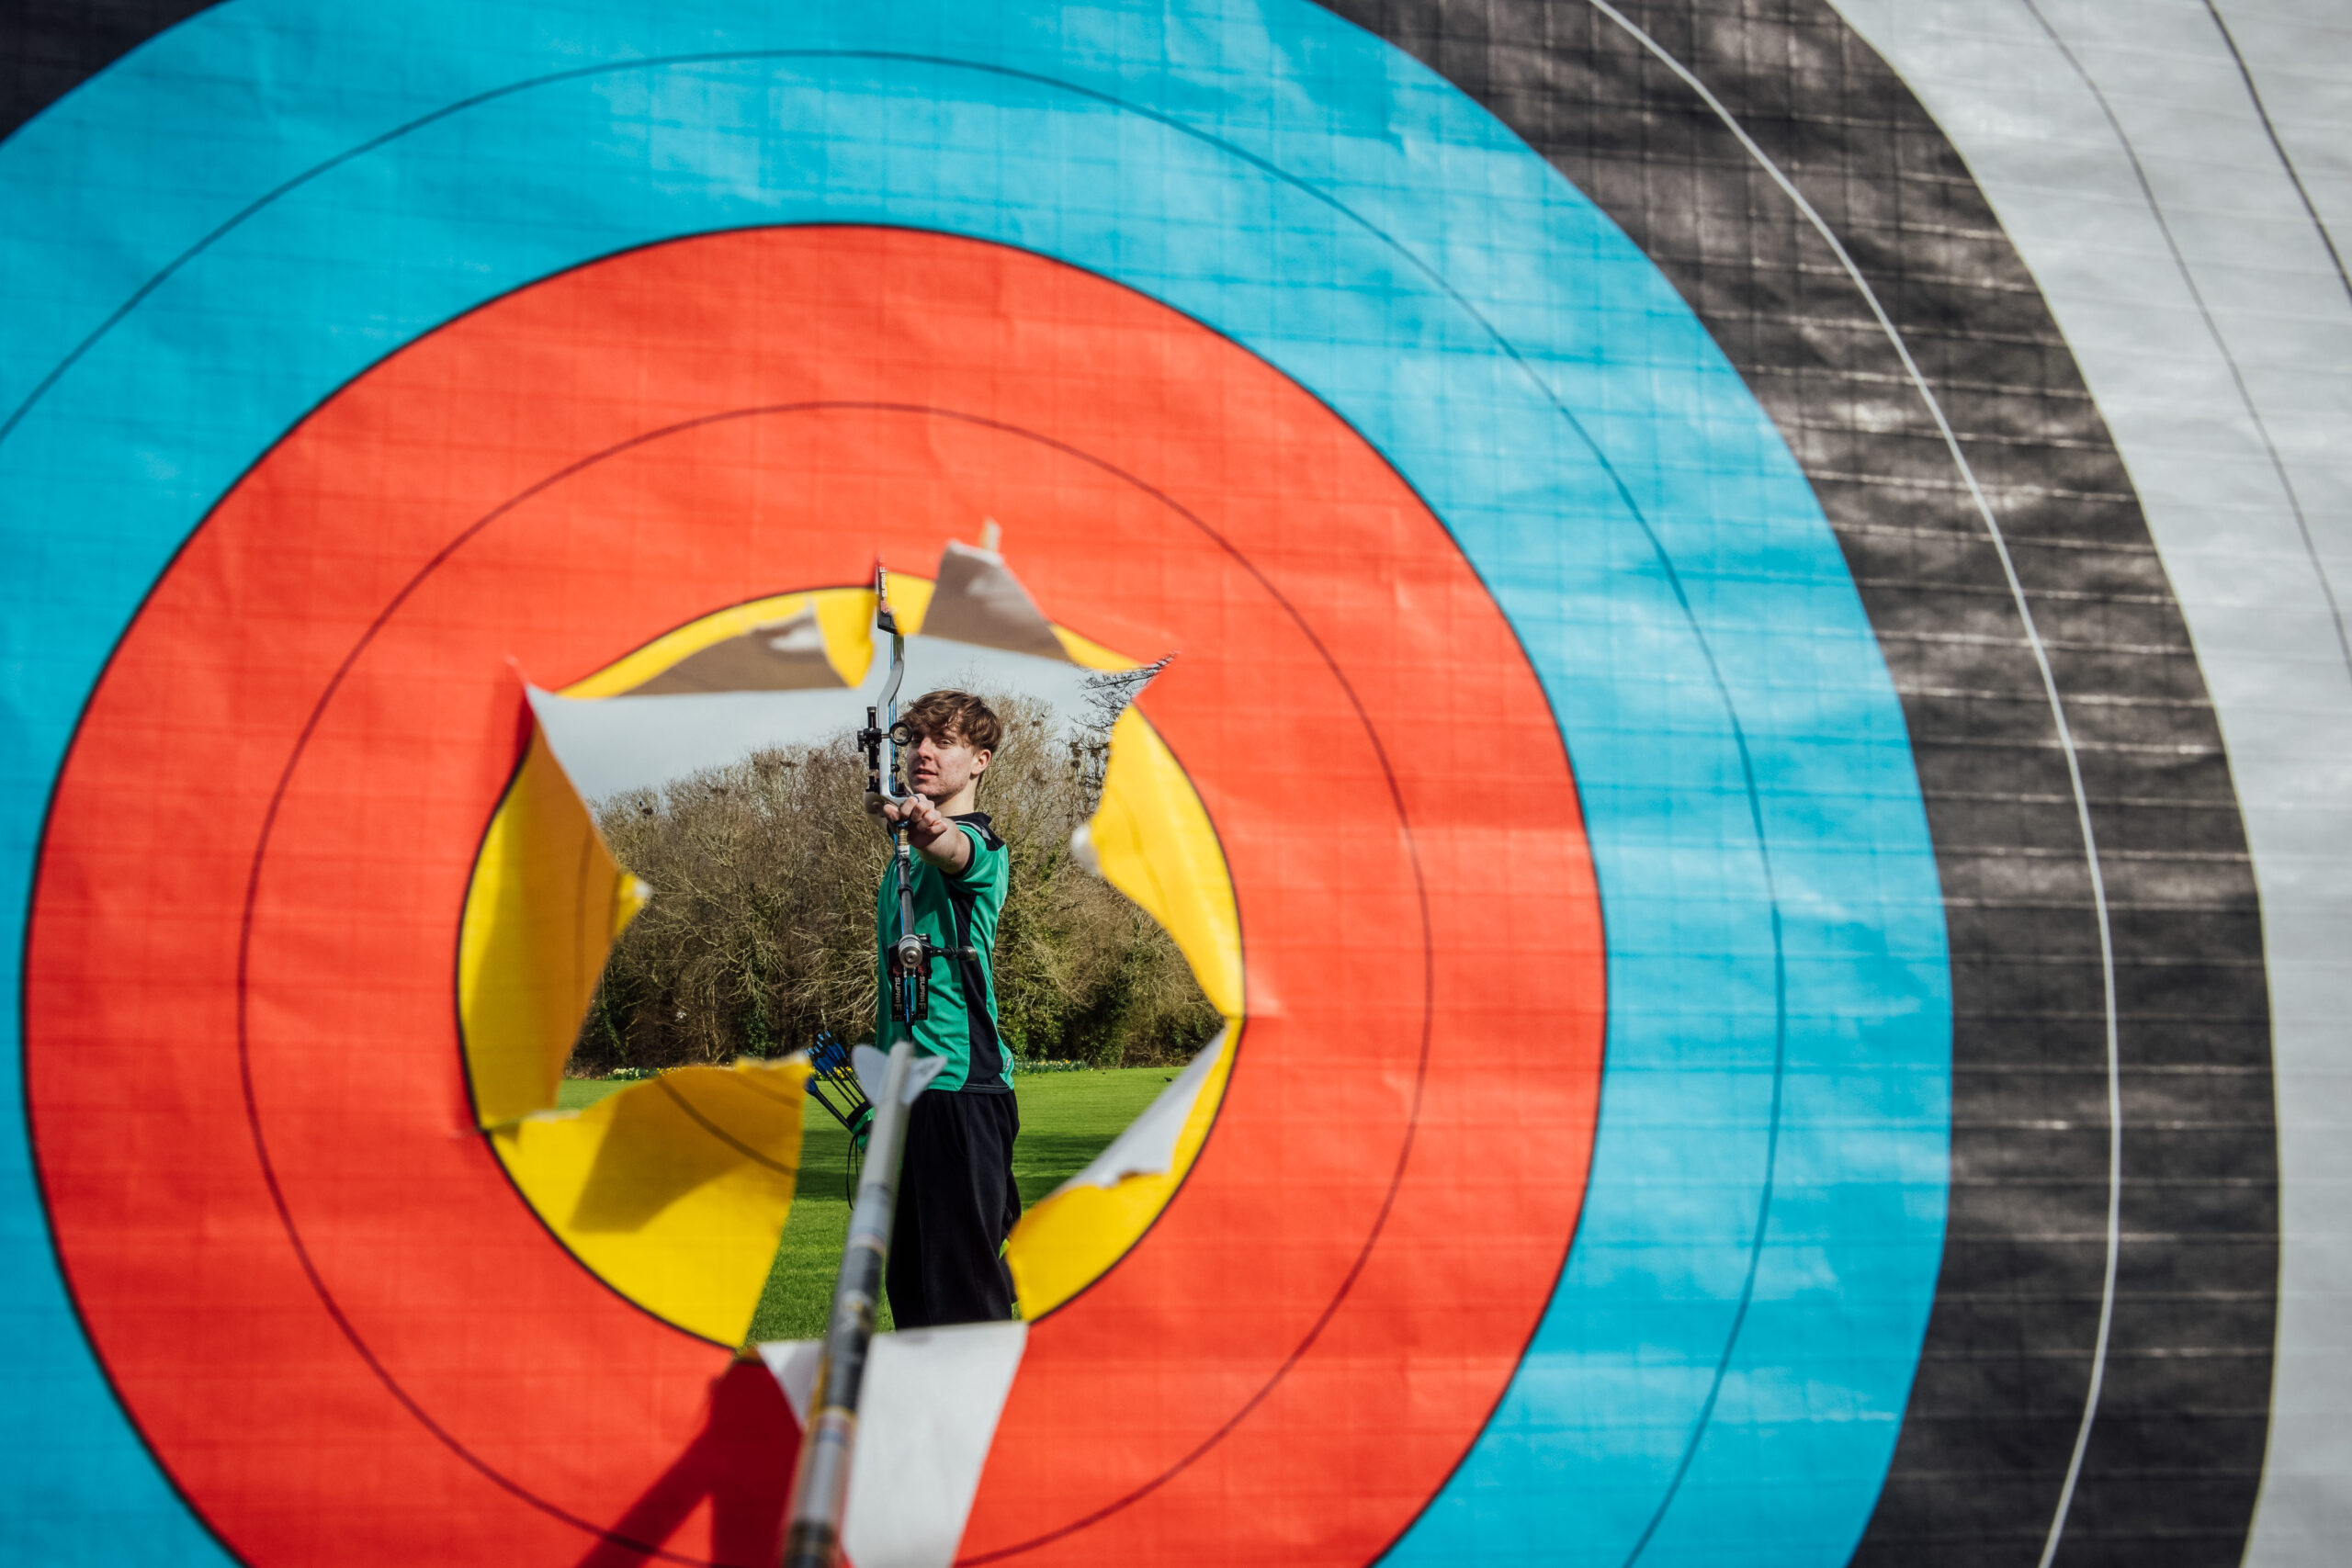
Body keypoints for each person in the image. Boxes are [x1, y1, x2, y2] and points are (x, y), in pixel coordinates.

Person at [872, 689, 1021, 1327]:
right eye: (913, 740)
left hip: (961, 1089)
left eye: (944, 741)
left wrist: (928, 827)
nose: (922, 751)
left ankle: (991, 1425)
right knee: (912, 1294)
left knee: (965, 1298)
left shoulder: (981, 847)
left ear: (980, 760)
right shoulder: (899, 858)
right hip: (909, 1099)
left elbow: (953, 847)